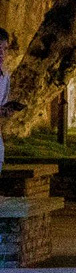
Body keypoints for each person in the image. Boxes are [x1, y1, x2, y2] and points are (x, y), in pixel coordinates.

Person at [0, 27, 16, 172]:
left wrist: (6, 111)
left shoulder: (5, 76)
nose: (2, 54)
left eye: (5, 49)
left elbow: (3, 101)